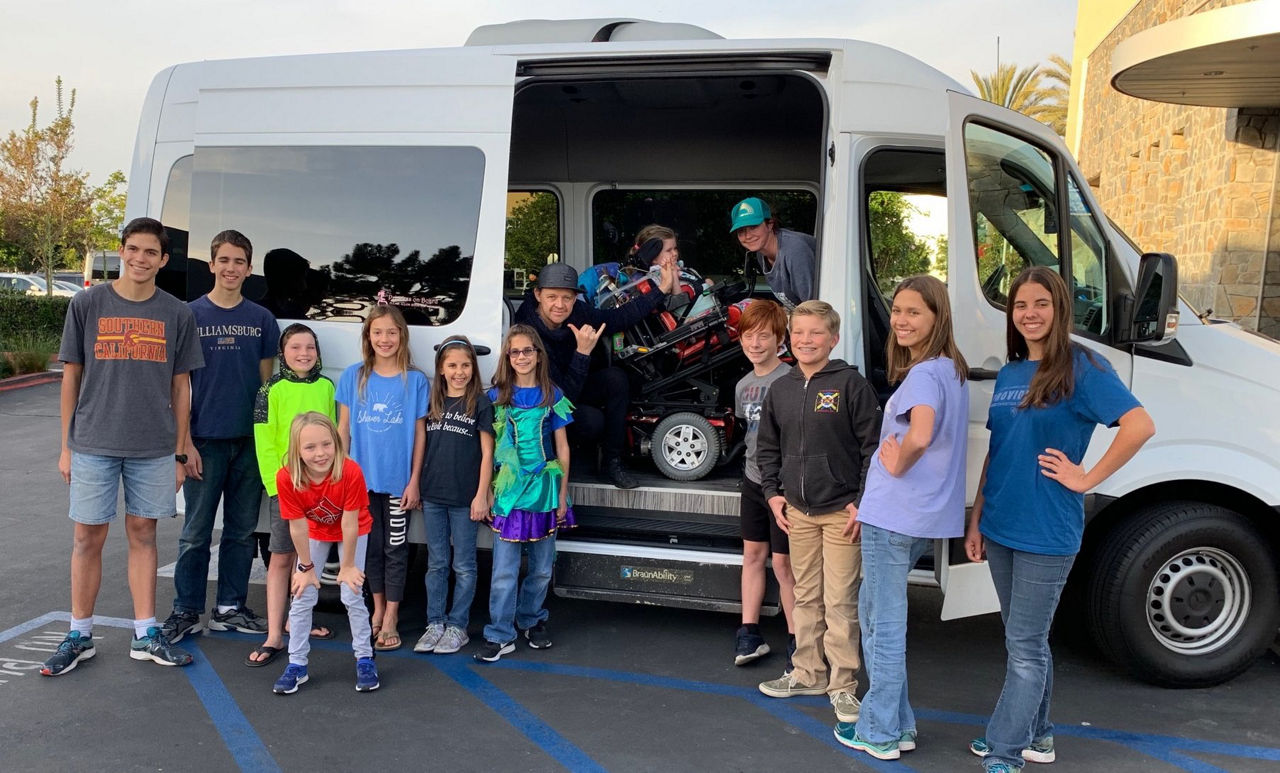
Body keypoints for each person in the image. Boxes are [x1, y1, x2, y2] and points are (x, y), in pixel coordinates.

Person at [964, 267, 1154, 771]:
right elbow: (998, 452)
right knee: (1024, 639)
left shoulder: (1083, 367)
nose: (1030, 314)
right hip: (1000, 525)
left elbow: (1139, 425)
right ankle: (1039, 735)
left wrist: (1088, 477)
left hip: (1047, 530)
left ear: (1059, 307)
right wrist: (976, 518)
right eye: (1021, 305)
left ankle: (1006, 749)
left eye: (1041, 303)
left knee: (1024, 647)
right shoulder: (1010, 373)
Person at [42, 217, 204, 676]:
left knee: (144, 535)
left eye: (150, 252)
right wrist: (66, 445)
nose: (140, 258)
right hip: (93, 441)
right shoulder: (88, 303)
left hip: (152, 446)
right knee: (86, 537)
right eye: (133, 249)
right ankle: (79, 634)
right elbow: (71, 375)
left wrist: (178, 449)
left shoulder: (177, 313)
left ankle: (145, 633)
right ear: (122, 251)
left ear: (163, 260)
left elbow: (181, 387)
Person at [833, 275, 969, 760]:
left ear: (937, 317)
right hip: (917, 516)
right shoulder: (951, 369)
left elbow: (921, 434)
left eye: (915, 312)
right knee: (880, 619)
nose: (902, 320)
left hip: (897, 516)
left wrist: (898, 461)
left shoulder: (926, 374)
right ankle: (900, 724)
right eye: (898, 311)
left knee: (880, 625)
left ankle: (879, 732)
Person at [755, 300, 879, 725]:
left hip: (842, 513)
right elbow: (766, 447)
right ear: (790, 337)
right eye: (799, 332)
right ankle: (808, 671)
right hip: (799, 512)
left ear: (833, 339)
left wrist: (862, 501)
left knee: (841, 601)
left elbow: (872, 450)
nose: (806, 340)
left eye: (815, 333)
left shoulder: (850, 385)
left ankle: (843, 685)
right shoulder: (782, 388)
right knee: (806, 596)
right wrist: (773, 494)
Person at [162, 230, 279, 645]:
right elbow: (178, 385)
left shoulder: (262, 319)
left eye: (239, 261)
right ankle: (186, 610)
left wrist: (267, 441)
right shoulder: (189, 315)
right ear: (211, 264)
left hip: (249, 444)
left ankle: (230, 607)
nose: (231, 268)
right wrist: (183, 444)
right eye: (224, 260)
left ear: (250, 268)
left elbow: (268, 386)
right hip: (204, 442)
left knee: (241, 532)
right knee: (195, 532)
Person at [513, 261, 677, 489]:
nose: (560, 305)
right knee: (591, 421)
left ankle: (613, 461)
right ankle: (560, 465)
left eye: (567, 298)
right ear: (538, 294)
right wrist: (582, 353)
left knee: (615, 378)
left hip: (574, 386)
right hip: (548, 407)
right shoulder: (527, 332)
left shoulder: (577, 312)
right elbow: (561, 400)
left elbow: (615, 319)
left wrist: (660, 290)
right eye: (552, 297)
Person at [474, 325, 575, 663]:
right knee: (504, 569)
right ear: (507, 356)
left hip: (545, 492)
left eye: (527, 351)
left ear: (538, 354)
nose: (521, 357)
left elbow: (563, 449)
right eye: (515, 352)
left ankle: (531, 619)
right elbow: (486, 453)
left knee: (543, 567)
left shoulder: (553, 396)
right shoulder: (496, 397)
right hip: (508, 494)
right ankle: (500, 632)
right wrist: (485, 493)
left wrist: (562, 494)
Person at [337, 305, 428, 652]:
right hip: (360, 483)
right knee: (370, 549)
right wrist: (342, 475)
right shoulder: (353, 376)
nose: (385, 339)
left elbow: (420, 433)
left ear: (401, 335)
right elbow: (343, 430)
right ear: (368, 337)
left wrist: (414, 479)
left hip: (397, 483)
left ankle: (391, 615)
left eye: (391, 332)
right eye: (378, 332)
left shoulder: (414, 380)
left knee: (395, 549)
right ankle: (376, 608)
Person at [246, 324, 336, 668]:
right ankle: (273, 633)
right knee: (282, 557)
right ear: (283, 353)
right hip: (287, 488)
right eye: (295, 347)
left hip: (321, 487)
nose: (303, 354)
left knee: (309, 557)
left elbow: (333, 437)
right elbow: (264, 441)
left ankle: (298, 620)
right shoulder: (271, 389)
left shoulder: (328, 387)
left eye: (310, 347)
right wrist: (277, 485)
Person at [270, 412, 379, 694]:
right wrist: (305, 568)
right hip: (315, 531)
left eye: (326, 444)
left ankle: (365, 657)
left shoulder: (350, 470)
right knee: (302, 595)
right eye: (310, 447)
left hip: (353, 529)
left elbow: (350, 521)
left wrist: (348, 566)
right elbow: (297, 527)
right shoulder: (287, 477)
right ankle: (297, 664)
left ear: (336, 443)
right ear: (297, 451)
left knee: (351, 593)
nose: (320, 453)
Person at [413, 336, 495, 655]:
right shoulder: (433, 402)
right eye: (452, 366)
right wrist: (417, 484)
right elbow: (421, 447)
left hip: (465, 498)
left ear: (473, 368)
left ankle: (457, 626)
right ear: (441, 369)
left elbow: (487, 454)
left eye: (465, 365)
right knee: (436, 563)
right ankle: (435, 622)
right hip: (433, 494)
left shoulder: (480, 403)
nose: (459, 371)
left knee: (464, 565)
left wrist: (481, 495)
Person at [733, 299, 796, 668]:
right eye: (748, 336)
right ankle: (749, 633)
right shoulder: (743, 385)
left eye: (763, 337)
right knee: (752, 556)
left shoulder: (790, 380)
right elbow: (749, 432)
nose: (755, 344)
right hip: (752, 481)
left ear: (780, 340)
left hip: (783, 489)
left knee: (785, 565)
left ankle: (797, 639)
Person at [729, 197, 816, 309]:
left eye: (753, 227)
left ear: (770, 224)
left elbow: (813, 309)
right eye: (741, 231)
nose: (748, 236)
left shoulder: (794, 250)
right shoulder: (761, 254)